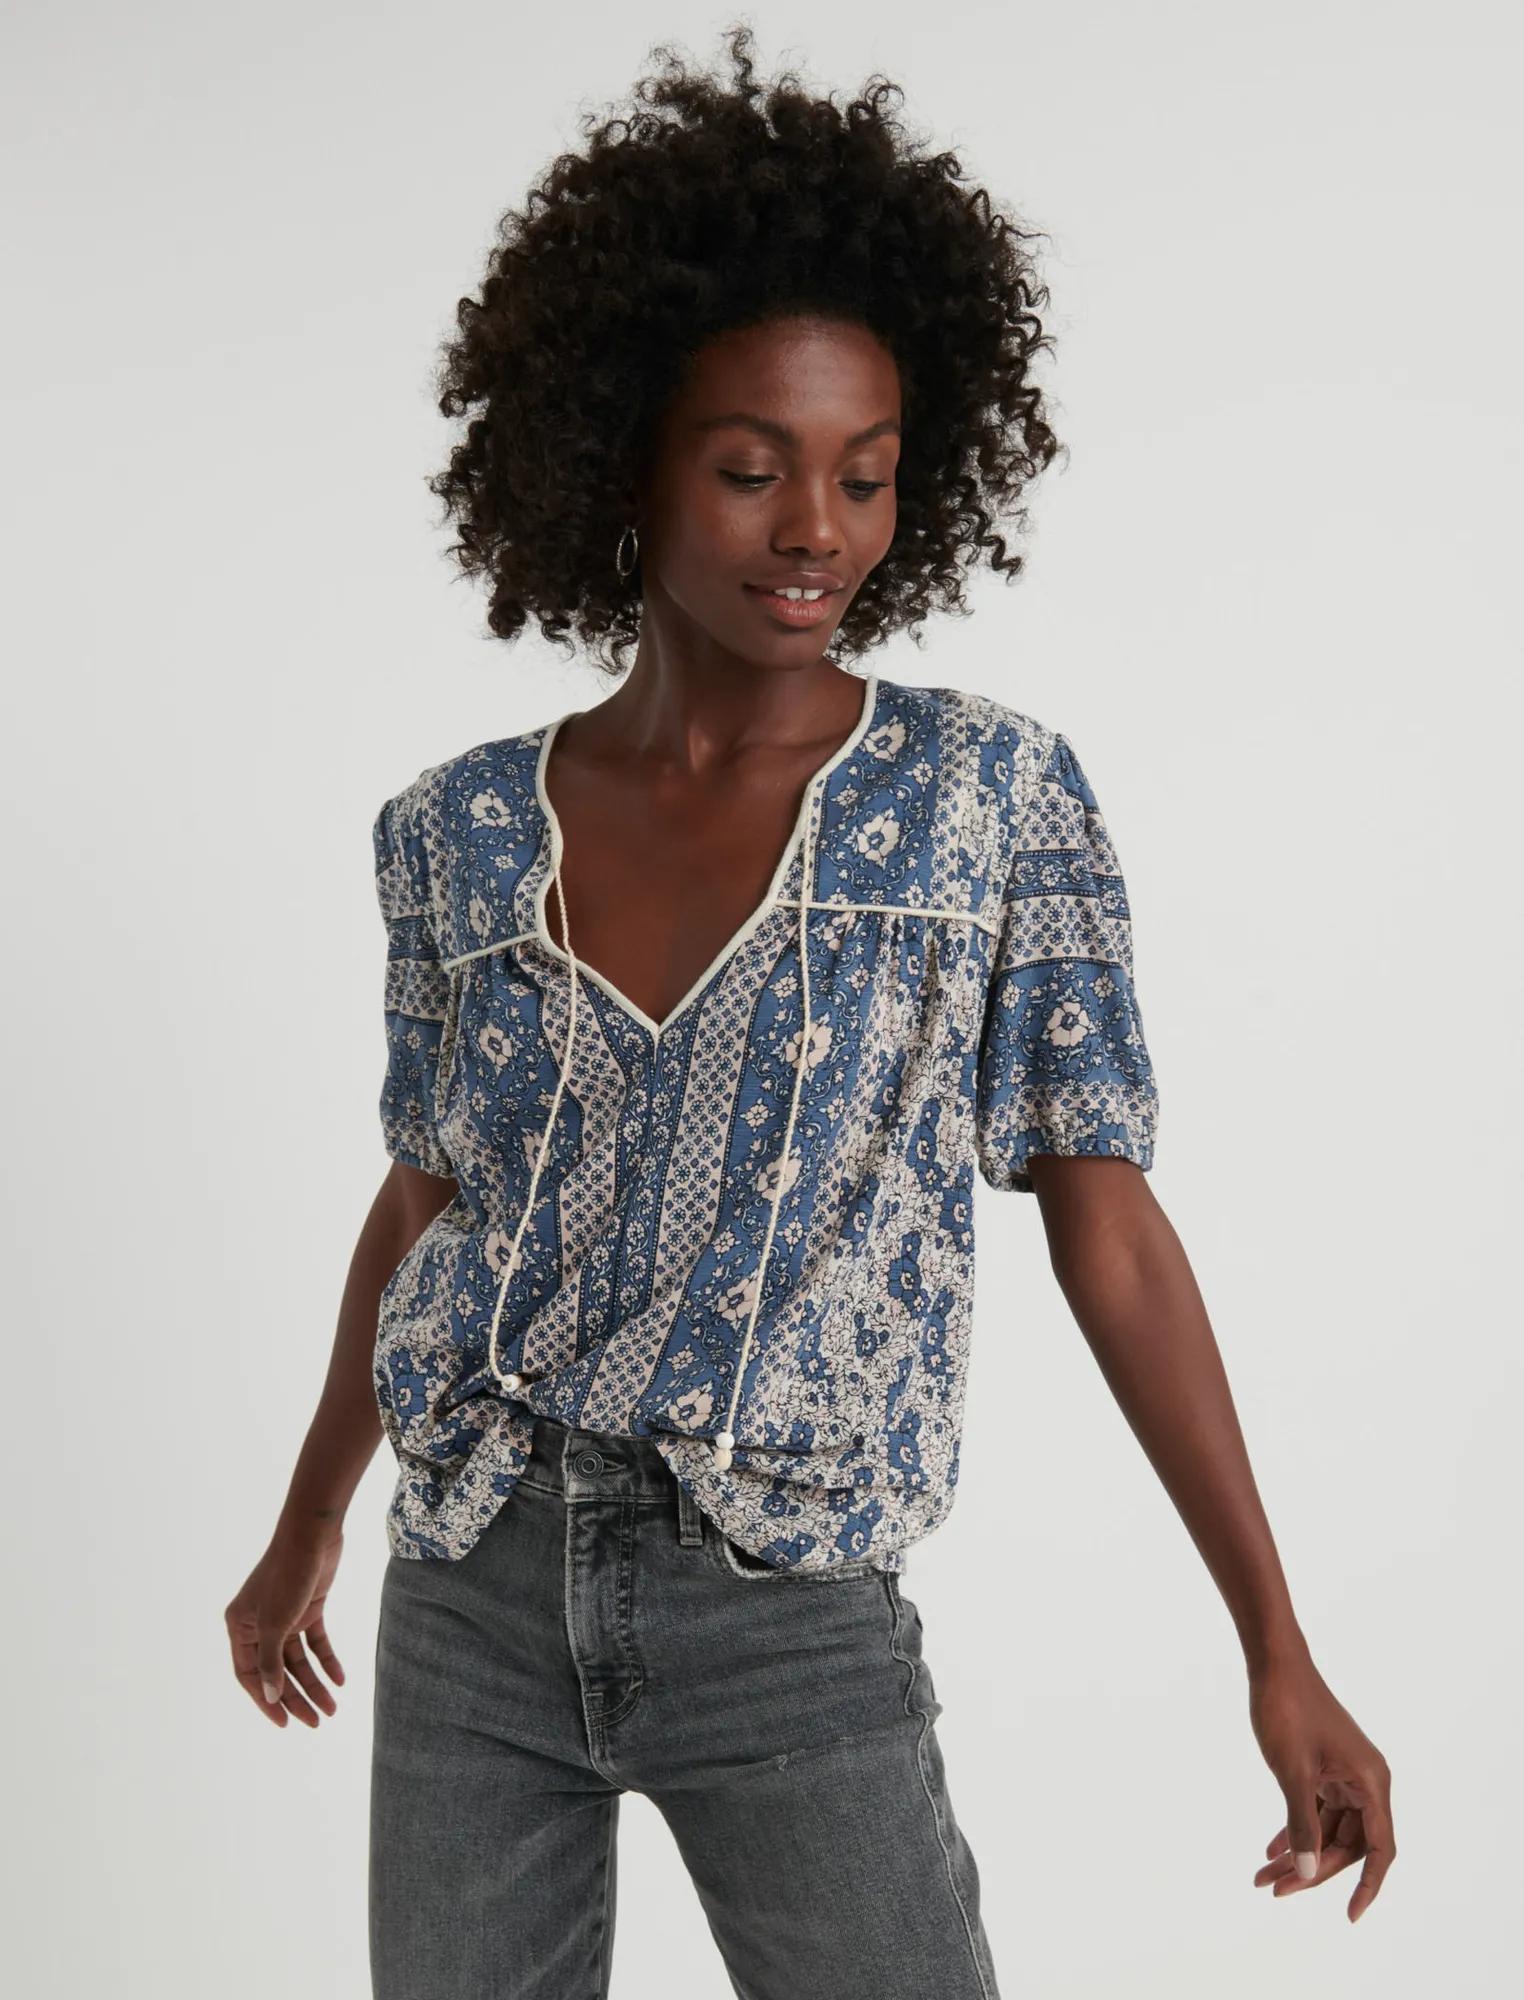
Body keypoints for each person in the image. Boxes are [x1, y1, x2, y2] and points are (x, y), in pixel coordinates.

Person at [224, 25, 1396, 1995]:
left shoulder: (986, 799)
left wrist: (1274, 1640)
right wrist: (302, 1529)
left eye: (865, 476)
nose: (816, 531)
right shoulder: (452, 835)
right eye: (753, 468)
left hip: (789, 1604)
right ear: (626, 459)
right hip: (474, 1589)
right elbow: (426, 1197)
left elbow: (1109, 1229)